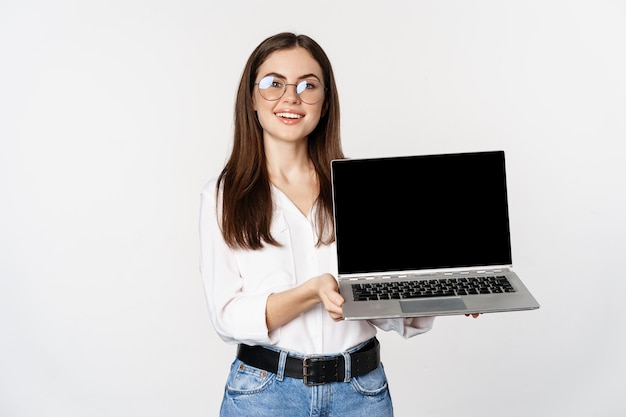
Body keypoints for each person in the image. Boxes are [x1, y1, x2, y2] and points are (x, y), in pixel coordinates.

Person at [199, 32, 437, 417]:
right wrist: (310, 293)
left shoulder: (362, 191)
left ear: (325, 103)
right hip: (263, 395)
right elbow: (227, 317)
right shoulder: (222, 196)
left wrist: (438, 294)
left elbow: (393, 311)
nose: (291, 98)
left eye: (308, 85)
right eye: (274, 83)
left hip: (360, 393)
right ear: (251, 98)